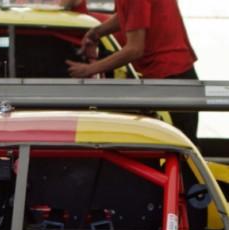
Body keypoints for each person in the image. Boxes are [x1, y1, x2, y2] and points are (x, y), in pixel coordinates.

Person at [66, 0, 199, 141]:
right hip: (176, 74)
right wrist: (96, 32)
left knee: (178, 149)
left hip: (170, 81)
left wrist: (89, 69)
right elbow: (130, 16)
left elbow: (134, 49)